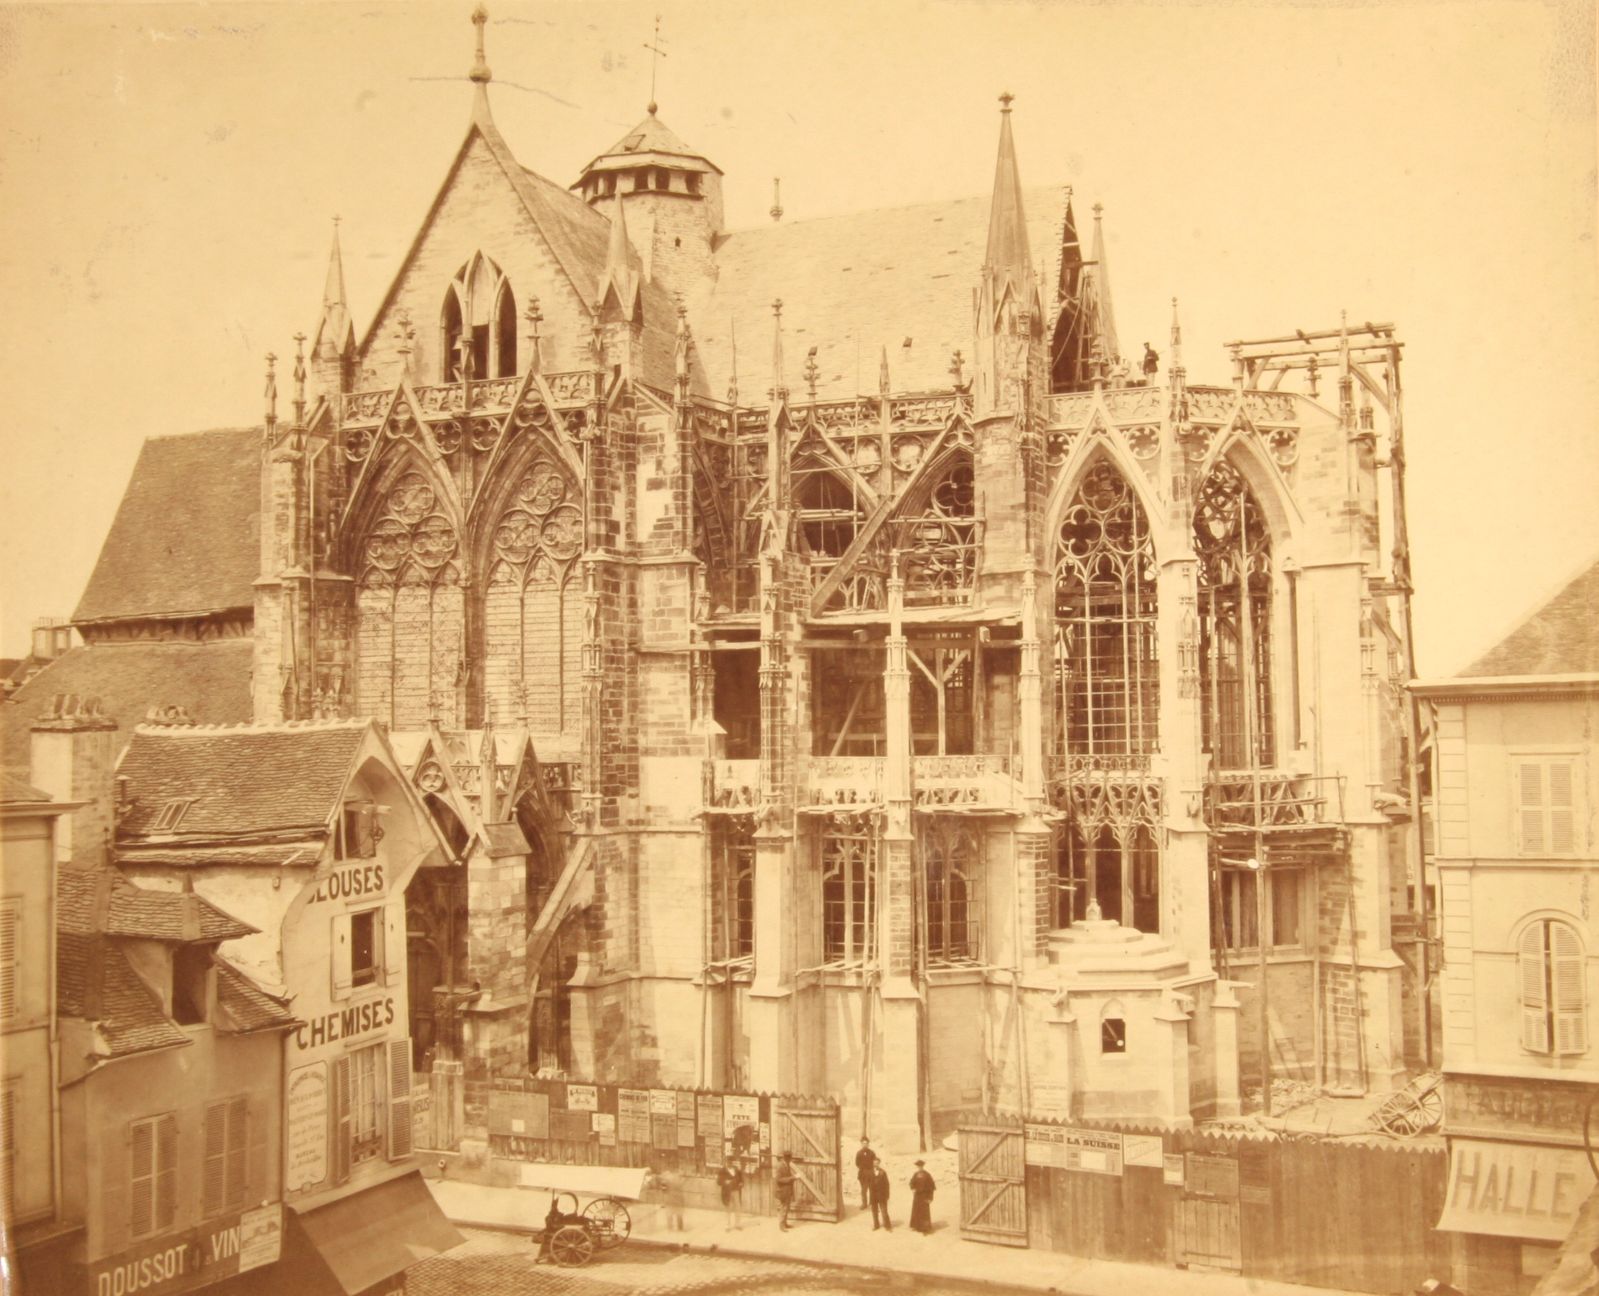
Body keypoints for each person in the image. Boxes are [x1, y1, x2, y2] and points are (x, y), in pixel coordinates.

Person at [717, 1158, 745, 1231]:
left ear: (732, 1162)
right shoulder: (722, 1171)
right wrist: (725, 1182)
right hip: (727, 1192)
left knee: (737, 1208)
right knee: (728, 1208)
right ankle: (727, 1225)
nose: (729, 1163)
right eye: (728, 1162)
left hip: (736, 1191)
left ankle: (737, 1224)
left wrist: (741, 1183)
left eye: (731, 1162)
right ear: (726, 1162)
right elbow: (718, 1181)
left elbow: (741, 1179)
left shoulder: (737, 1170)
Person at [909, 1160, 935, 1234]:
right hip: (917, 1196)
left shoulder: (927, 1175)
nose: (919, 1168)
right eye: (918, 1166)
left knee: (924, 1212)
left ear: (923, 1166)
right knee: (916, 1210)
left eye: (921, 1166)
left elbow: (931, 1186)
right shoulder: (915, 1174)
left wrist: (930, 1197)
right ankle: (917, 1226)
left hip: (924, 1196)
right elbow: (911, 1182)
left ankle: (925, 1228)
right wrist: (913, 1188)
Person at [853, 1137, 878, 1210]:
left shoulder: (872, 1153)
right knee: (863, 1190)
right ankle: (864, 1204)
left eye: (866, 1143)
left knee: (872, 1189)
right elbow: (857, 1163)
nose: (865, 1145)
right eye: (863, 1143)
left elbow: (875, 1162)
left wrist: (872, 1171)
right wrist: (862, 1169)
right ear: (861, 1144)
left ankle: (872, 1203)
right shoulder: (859, 1153)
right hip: (862, 1174)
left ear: (868, 1144)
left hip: (871, 1173)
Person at [774, 1152, 797, 1230]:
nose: (790, 1160)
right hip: (781, 1191)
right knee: (783, 1208)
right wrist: (792, 1178)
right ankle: (781, 1226)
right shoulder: (780, 1166)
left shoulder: (786, 1165)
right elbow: (779, 1179)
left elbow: (787, 1176)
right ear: (787, 1158)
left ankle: (785, 1223)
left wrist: (794, 1177)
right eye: (790, 1159)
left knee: (786, 1208)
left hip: (786, 1190)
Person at [868, 1162, 892, 1231]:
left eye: (877, 1163)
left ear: (879, 1163)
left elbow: (887, 1185)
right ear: (873, 1164)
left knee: (884, 1211)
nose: (876, 1164)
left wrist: (887, 1195)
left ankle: (887, 1226)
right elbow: (869, 1184)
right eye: (874, 1163)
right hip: (873, 1196)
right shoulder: (870, 1172)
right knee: (874, 1211)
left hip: (882, 1195)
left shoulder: (883, 1172)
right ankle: (876, 1225)